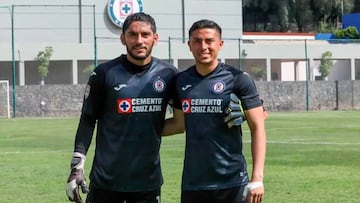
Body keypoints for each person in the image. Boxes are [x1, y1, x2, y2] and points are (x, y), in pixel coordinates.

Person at [65, 12, 182, 203]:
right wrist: (76, 167)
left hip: (147, 183)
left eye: (145, 34)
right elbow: (87, 120)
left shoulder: (168, 75)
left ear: (155, 38)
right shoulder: (104, 73)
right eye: (132, 35)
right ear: (123, 38)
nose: (139, 40)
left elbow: (181, 122)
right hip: (105, 182)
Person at [171, 19, 267, 203]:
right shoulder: (180, 81)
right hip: (193, 183)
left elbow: (258, 127)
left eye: (209, 41)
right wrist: (134, 126)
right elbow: (178, 124)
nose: (203, 46)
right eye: (197, 41)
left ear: (220, 44)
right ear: (189, 45)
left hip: (232, 181)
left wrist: (257, 179)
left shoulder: (238, 79)